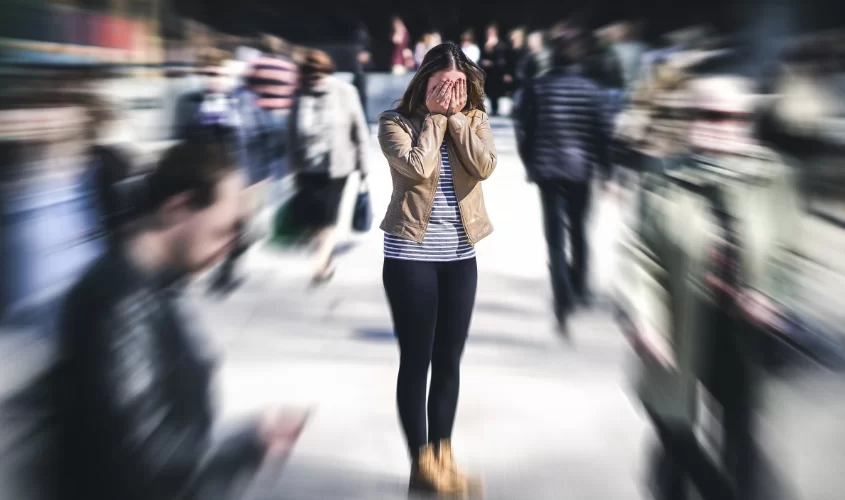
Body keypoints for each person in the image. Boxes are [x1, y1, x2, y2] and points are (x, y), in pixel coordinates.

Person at [55, 140, 310, 500]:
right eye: (225, 228)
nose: (232, 244)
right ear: (178, 208)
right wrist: (251, 443)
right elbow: (145, 462)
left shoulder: (152, 286)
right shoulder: (121, 303)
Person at [377, 41, 496, 495]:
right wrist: (434, 118)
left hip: (460, 259)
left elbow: (483, 166)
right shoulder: (395, 123)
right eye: (442, 85)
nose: (451, 93)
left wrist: (458, 120)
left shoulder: (476, 120)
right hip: (411, 258)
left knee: (449, 361)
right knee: (417, 361)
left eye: (459, 85)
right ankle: (420, 463)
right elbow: (417, 169)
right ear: (423, 82)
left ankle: (444, 456)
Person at [516, 33, 611, 336]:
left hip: (548, 171)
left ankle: (562, 295)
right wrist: (606, 169)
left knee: (555, 239)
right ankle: (579, 286)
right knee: (580, 230)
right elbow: (602, 134)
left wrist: (530, 162)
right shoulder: (592, 90)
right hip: (581, 170)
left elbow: (526, 130)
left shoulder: (538, 88)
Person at [288, 49, 369, 284]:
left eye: (319, 74)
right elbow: (291, 133)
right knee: (314, 217)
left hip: (337, 167)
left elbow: (359, 130)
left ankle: (321, 265)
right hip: (307, 167)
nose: (315, 80)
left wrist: (364, 167)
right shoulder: (299, 96)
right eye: (310, 76)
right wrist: (292, 167)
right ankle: (325, 254)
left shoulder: (345, 92)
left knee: (328, 216)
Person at [480, 23, 509, 116]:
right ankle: (493, 108)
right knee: (490, 90)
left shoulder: (500, 44)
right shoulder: (486, 44)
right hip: (488, 72)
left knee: (496, 91)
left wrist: (492, 63)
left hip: (497, 72)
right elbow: (483, 57)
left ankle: (496, 109)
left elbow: (502, 60)